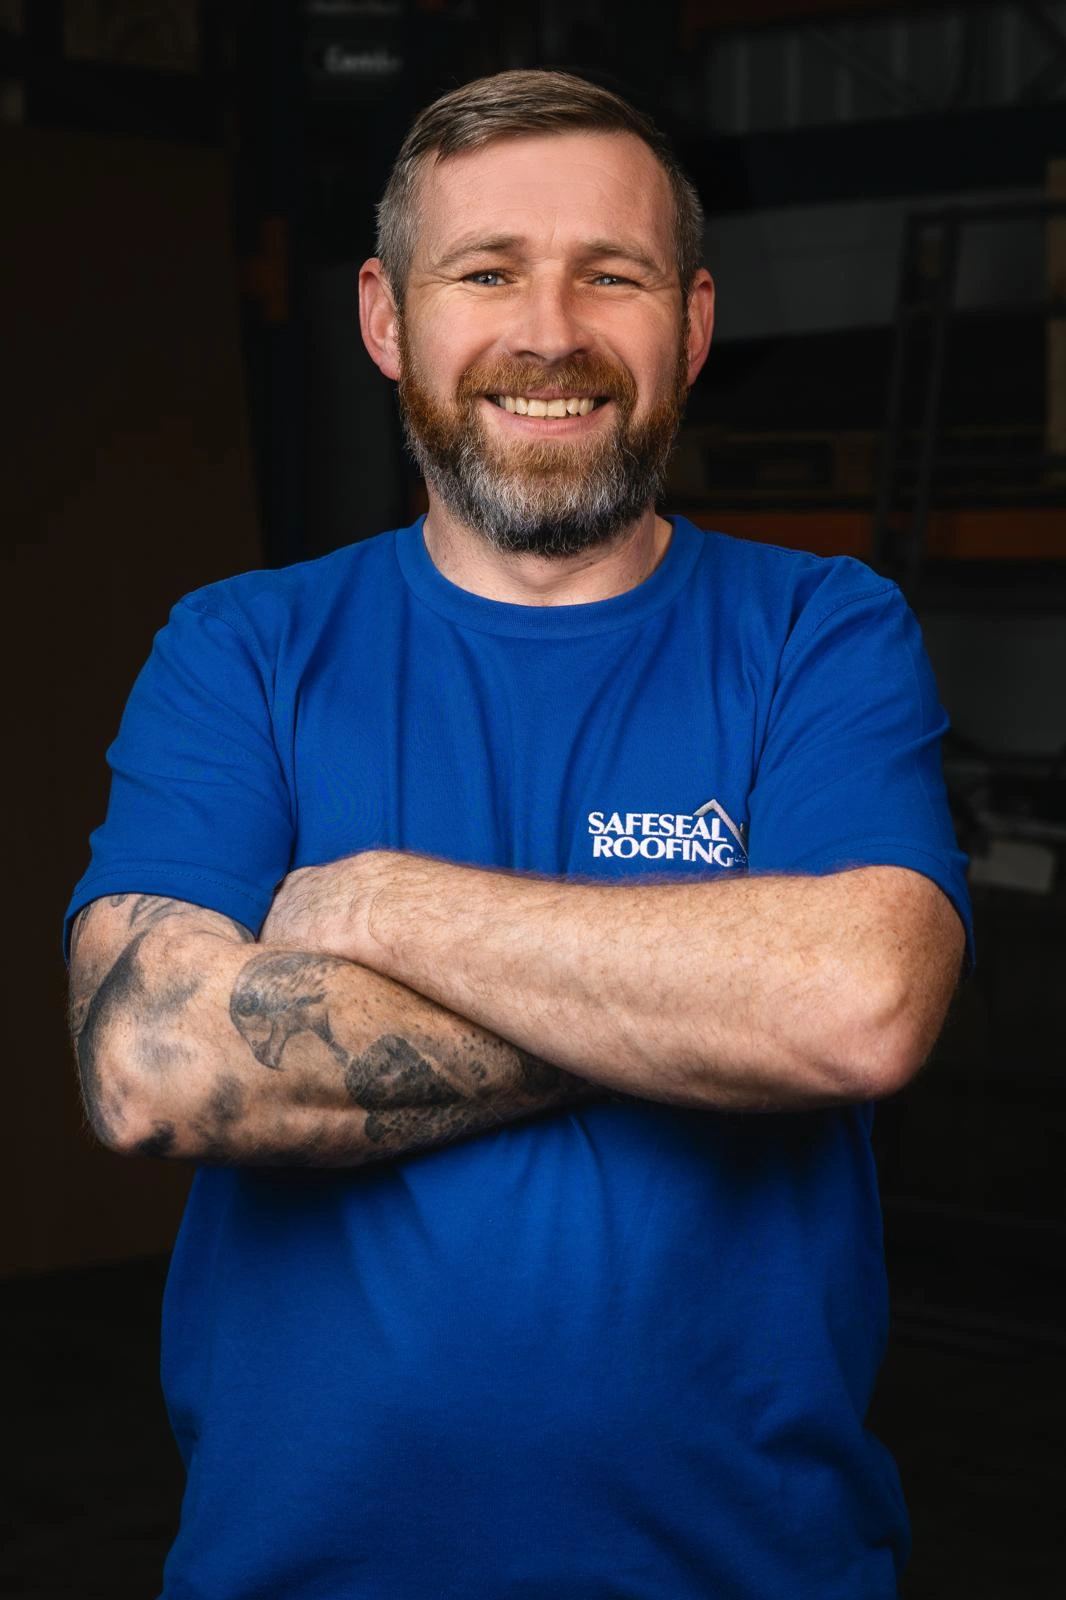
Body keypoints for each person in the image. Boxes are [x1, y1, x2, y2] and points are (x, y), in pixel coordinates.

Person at [66, 69, 970, 1600]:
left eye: (606, 275)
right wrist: (704, 1004)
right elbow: (154, 1062)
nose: (547, 332)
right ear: (383, 317)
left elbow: (857, 1002)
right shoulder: (242, 650)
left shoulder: (822, 631)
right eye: (485, 272)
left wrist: (379, 904)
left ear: (686, 323)